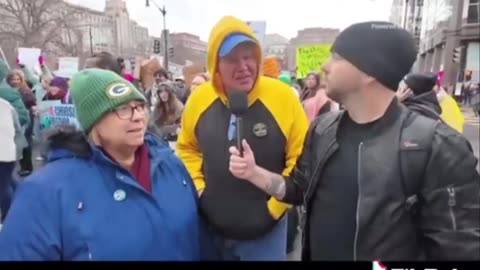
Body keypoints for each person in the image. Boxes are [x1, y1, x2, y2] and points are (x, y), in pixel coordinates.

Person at [227, 21, 480, 261]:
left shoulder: (437, 147)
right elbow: (299, 189)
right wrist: (254, 173)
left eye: (337, 57)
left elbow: (458, 252)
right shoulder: (322, 129)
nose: (325, 66)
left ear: (370, 71)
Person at [0, 69, 212, 261]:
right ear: (94, 122)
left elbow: (202, 243)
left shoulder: (171, 166)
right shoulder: (46, 191)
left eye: (139, 107)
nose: (137, 116)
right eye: (122, 109)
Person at [176, 16, 309, 261]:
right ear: (216, 63)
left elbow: (301, 159)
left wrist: (274, 207)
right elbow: (187, 149)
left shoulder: (283, 97)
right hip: (210, 231)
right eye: (232, 59)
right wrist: (200, 190)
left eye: (248, 56)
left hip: (265, 236)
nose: (243, 66)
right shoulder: (199, 99)